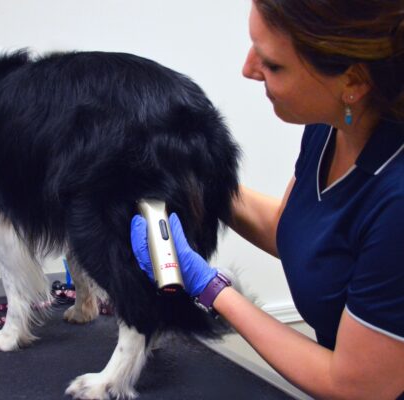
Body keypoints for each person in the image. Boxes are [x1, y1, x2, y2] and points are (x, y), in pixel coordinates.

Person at [132, 1, 404, 399]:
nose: (248, 68)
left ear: (354, 81)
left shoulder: (397, 198)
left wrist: (209, 287)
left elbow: (355, 385)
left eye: (273, 65)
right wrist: (190, 181)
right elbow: (298, 234)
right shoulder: (332, 127)